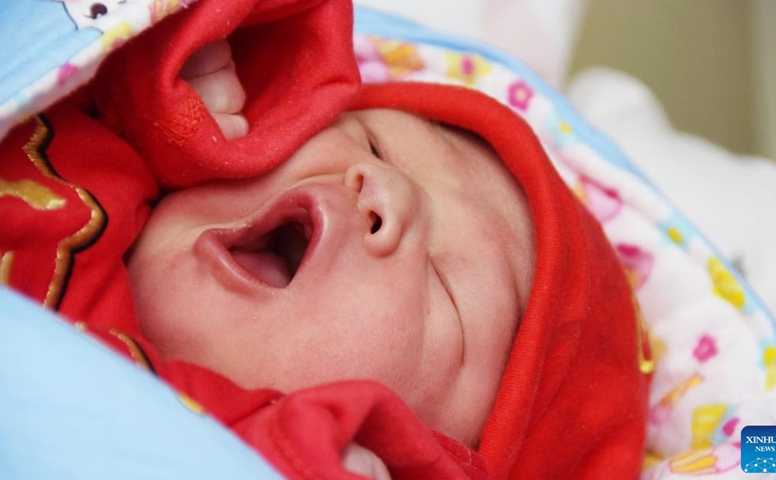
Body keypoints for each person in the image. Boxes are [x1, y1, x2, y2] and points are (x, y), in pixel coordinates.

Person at [0, 0, 650, 478]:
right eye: (375, 142)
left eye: (450, 292)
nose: (382, 190)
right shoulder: (110, 133)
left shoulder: (256, 446)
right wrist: (171, 86)